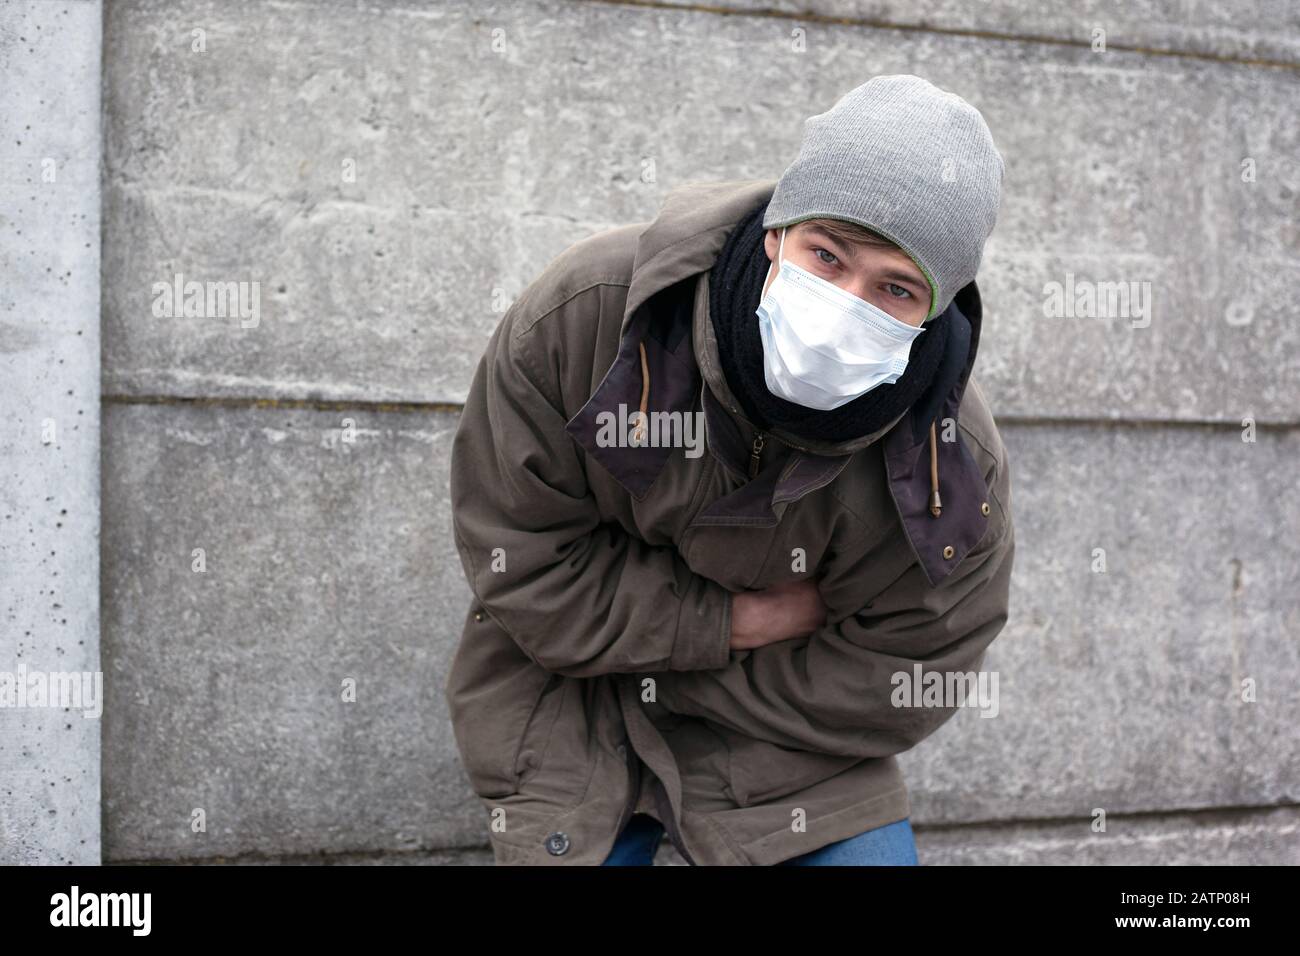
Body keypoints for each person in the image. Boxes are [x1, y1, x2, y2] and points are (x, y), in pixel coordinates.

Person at [446, 74, 1015, 866]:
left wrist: (675, 666)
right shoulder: (592, 317)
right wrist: (737, 624)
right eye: (827, 254)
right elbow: (523, 567)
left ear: (935, 310)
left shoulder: (946, 456)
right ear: (778, 230)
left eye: (895, 288)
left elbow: (913, 670)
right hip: (572, 711)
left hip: (784, 754)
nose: (843, 304)